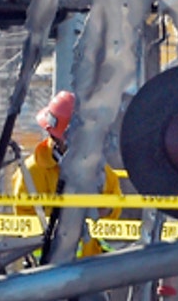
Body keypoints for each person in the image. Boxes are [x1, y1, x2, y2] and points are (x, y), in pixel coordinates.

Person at [11, 90, 122, 261]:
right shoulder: (33, 172)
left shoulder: (100, 171)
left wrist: (104, 210)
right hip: (46, 270)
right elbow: (25, 222)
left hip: (92, 269)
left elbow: (114, 211)